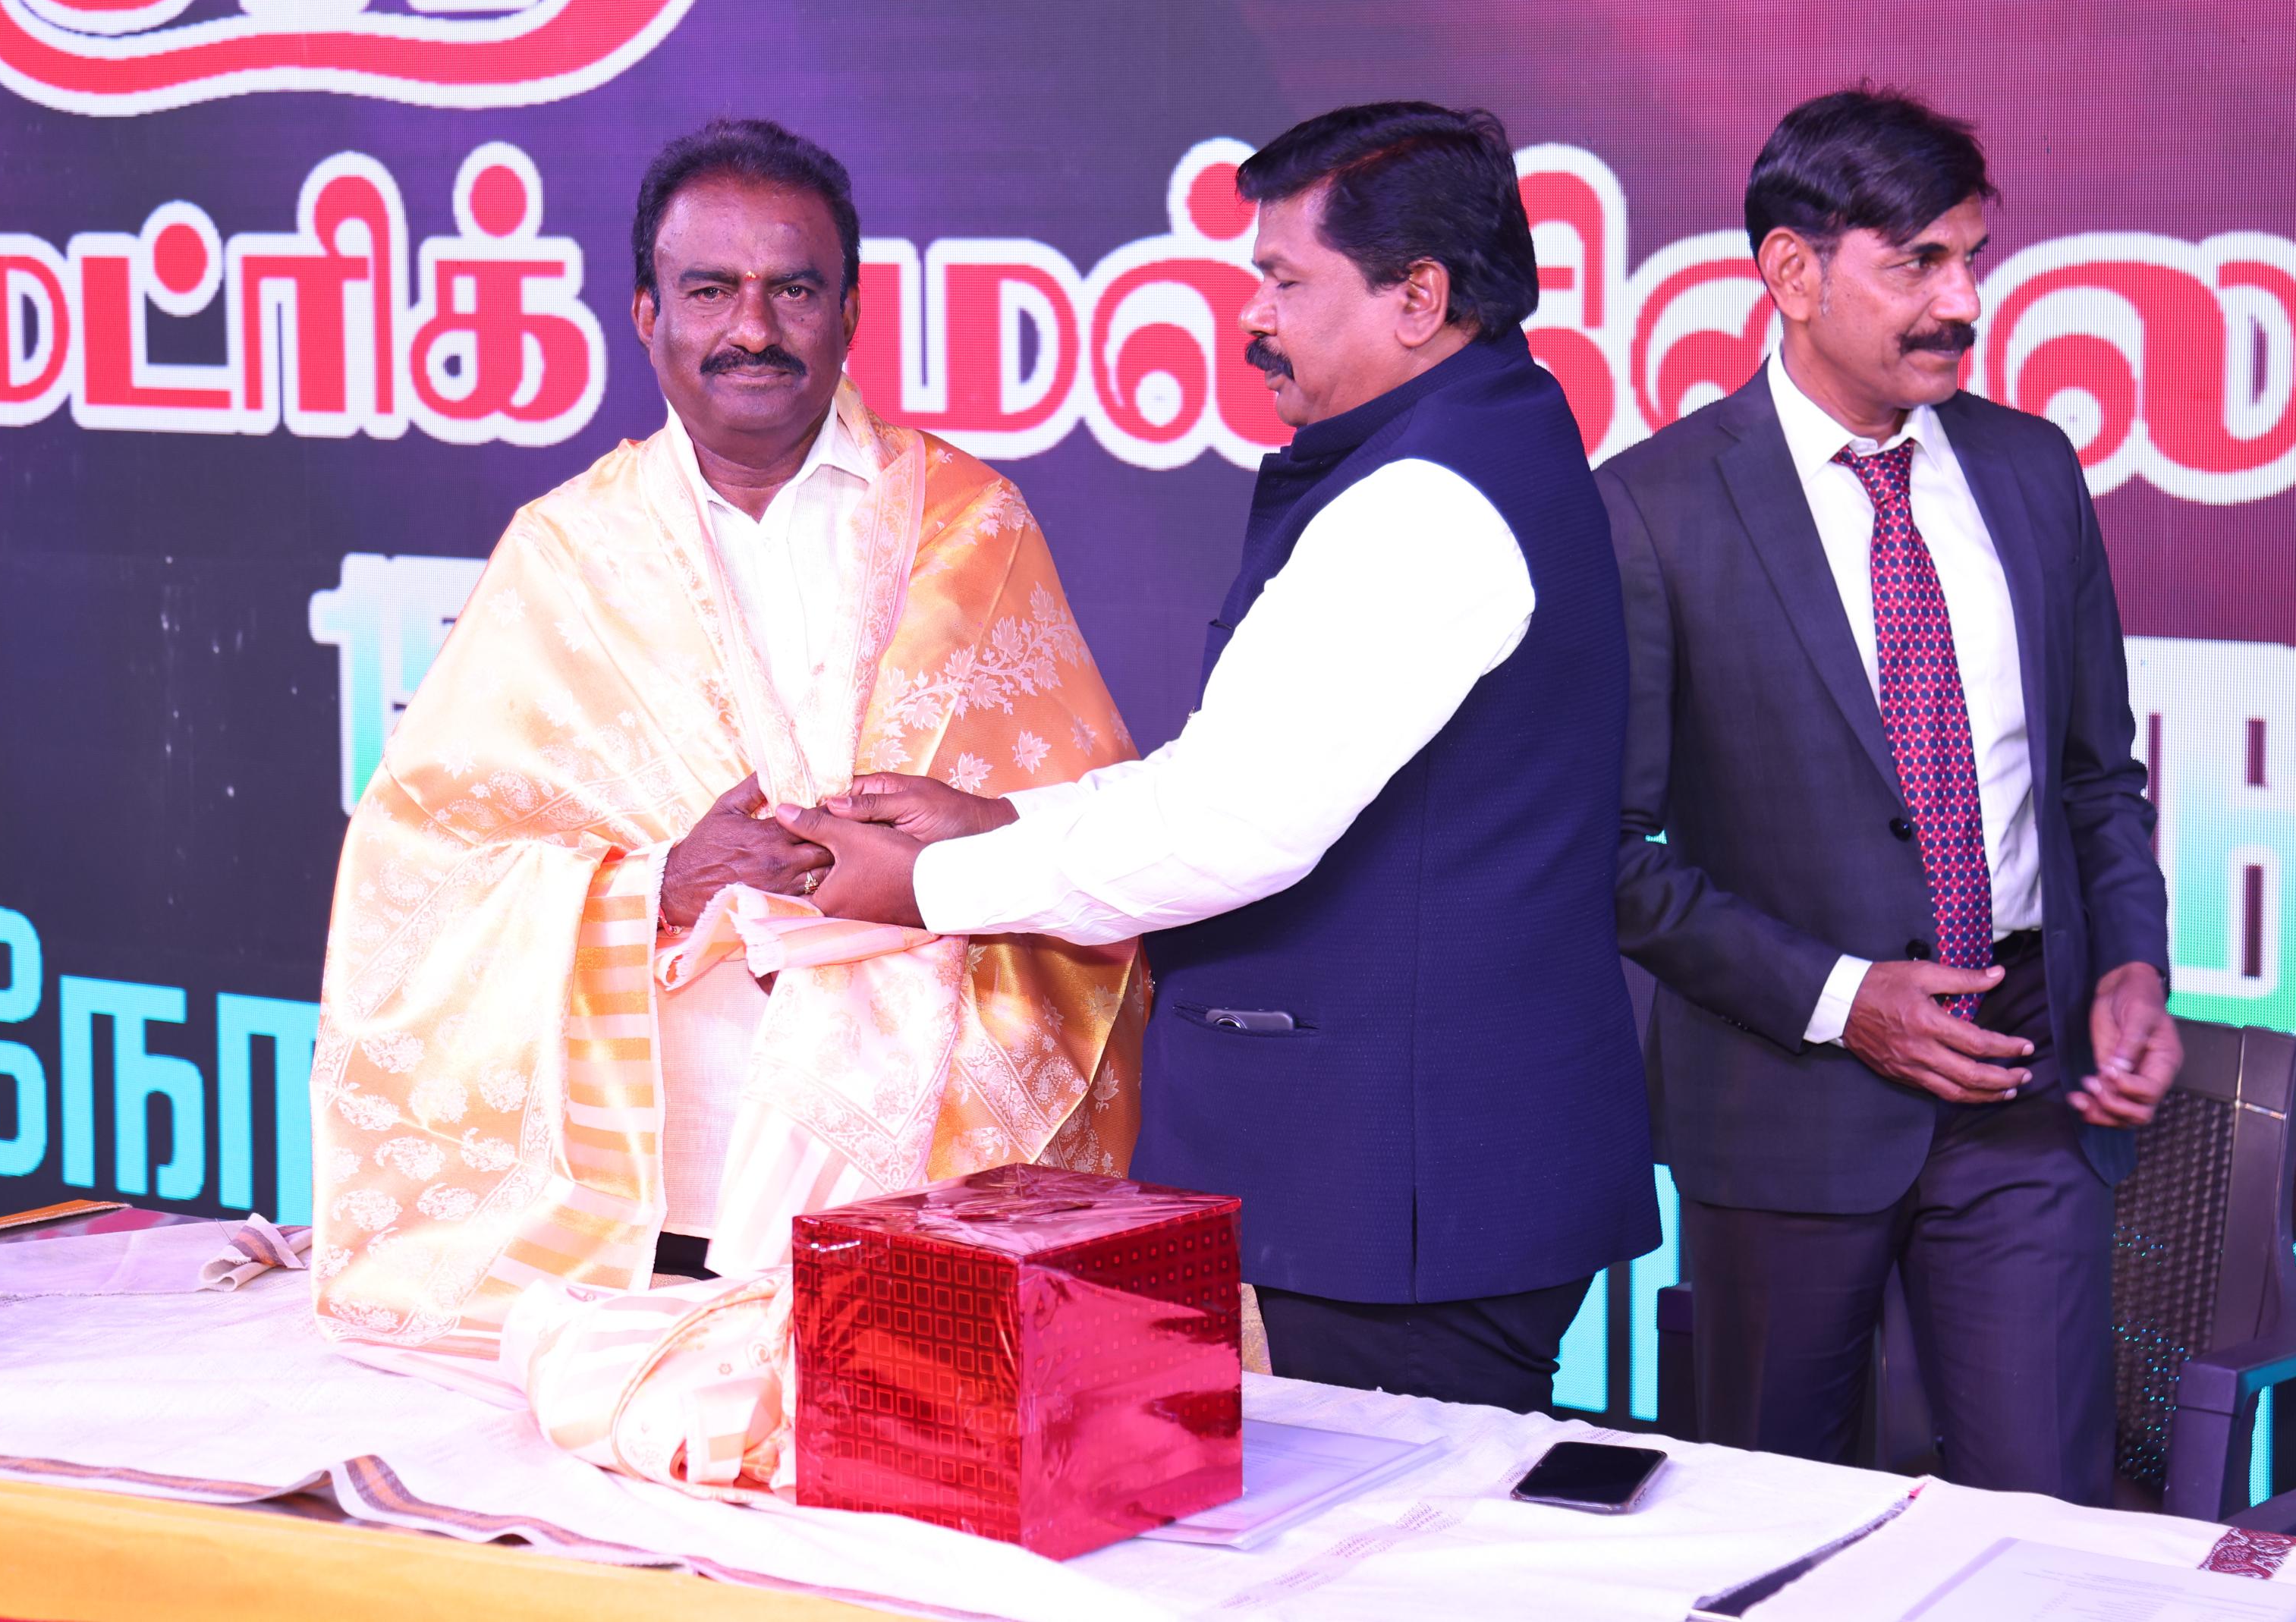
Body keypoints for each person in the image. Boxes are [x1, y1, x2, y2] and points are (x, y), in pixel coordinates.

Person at [774, 103, 1661, 1415]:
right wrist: (1000, 823)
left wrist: (924, 889)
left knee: (1376, 1527)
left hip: (1397, 1204)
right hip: (1419, 1184)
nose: (1253, 316)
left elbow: (1235, 823)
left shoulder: (1424, 505)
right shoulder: (1486, 437)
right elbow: (1237, 772)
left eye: (1286, 282)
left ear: (1420, 298)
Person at [307, 120, 1143, 1492]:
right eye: (710, 290)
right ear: (646, 314)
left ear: (851, 312)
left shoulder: (970, 528)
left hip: (910, 1200)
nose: (752, 328)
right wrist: (656, 885)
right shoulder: (569, 552)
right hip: (652, 1229)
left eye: (793, 288)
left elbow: (1083, 833)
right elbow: (424, 867)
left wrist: (949, 849)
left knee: (891, 1534)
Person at [1599, 85, 2177, 1503]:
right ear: (1792, 272)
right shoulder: (1653, 509)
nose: (1961, 302)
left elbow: (2098, 777)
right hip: (1783, 1096)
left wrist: (2133, 963)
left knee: (2042, 1524)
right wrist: (1844, 998)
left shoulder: (2032, 470)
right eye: (1918, 262)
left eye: (1971, 259)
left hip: (2025, 1075)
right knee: (1765, 1517)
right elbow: (1612, 855)